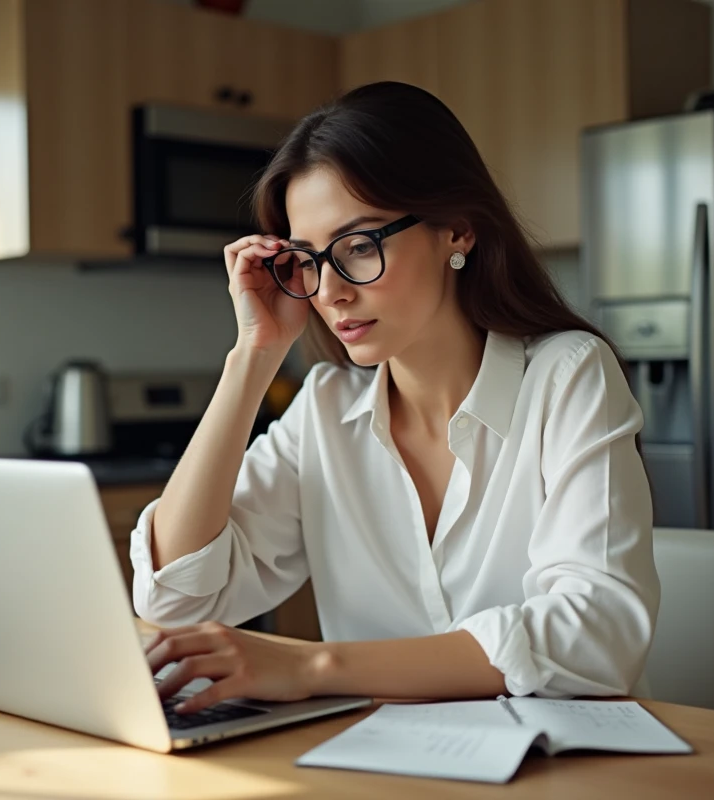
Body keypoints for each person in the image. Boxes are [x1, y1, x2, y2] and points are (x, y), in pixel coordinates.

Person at [132, 81, 659, 715]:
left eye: (359, 245)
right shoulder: (324, 410)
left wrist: (313, 666)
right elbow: (174, 598)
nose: (330, 291)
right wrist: (252, 357)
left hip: (559, 765)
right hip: (379, 766)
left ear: (457, 231)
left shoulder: (568, 375)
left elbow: (597, 635)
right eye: (309, 258)